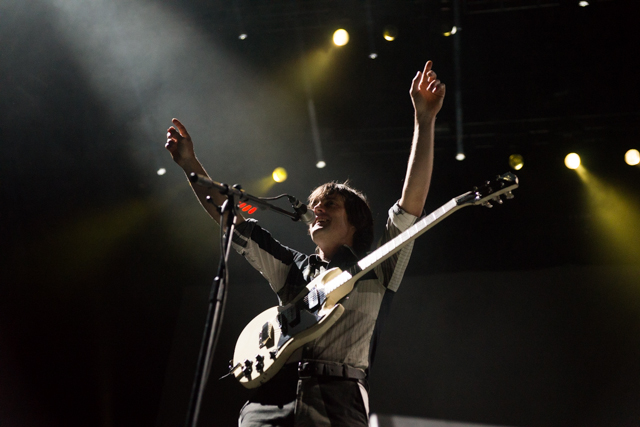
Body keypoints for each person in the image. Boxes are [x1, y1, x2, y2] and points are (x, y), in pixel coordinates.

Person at [165, 60, 445, 427]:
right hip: (269, 402)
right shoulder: (293, 267)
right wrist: (189, 163)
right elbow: (229, 217)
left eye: (330, 204)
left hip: (338, 404)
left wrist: (424, 121)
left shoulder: (381, 267)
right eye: (315, 205)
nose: (317, 209)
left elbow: (411, 206)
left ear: (355, 221)